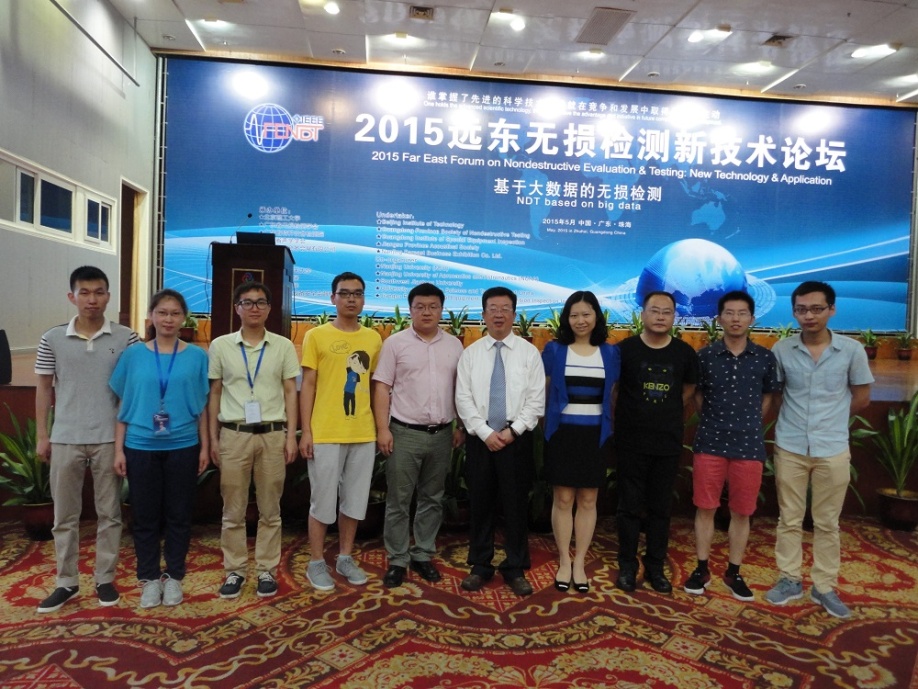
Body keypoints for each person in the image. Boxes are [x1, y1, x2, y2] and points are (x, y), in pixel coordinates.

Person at [34, 266, 139, 613]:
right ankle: (66, 581)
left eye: (99, 292)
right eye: (85, 292)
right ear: (72, 297)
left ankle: (104, 578)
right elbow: (43, 388)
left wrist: (126, 441)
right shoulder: (52, 338)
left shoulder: (127, 338)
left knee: (110, 513)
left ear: (108, 296)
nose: (92, 299)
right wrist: (43, 435)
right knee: (65, 515)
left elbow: (133, 389)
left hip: (109, 439)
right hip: (65, 438)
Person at [765, 281, 872, 619]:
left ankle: (824, 586)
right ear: (794, 312)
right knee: (789, 518)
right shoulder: (782, 349)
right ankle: (789, 579)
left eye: (816, 309)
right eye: (801, 310)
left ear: (831, 310)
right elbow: (777, 396)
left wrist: (832, 420)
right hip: (791, 445)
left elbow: (862, 397)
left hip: (832, 447)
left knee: (827, 522)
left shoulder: (851, 350)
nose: (808, 316)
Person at [110, 289, 209, 608]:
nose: (168, 319)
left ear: (184, 318)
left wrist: (205, 447)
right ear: (151, 316)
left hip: (184, 444)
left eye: (175, 313)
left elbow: (203, 407)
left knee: (179, 514)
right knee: (145, 516)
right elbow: (123, 403)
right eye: (162, 312)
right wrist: (118, 449)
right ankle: (150, 578)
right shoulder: (133, 355)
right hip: (140, 445)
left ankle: (174, 576)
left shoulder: (197, 356)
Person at [684, 291, 780, 601]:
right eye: (729, 313)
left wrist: (747, 423)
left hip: (748, 445)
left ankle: (733, 572)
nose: (735, 319)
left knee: (742, 512)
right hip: (710, 442)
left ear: (752, 318)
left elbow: (768, 397)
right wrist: (715, 421)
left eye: (742, 313)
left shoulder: (765, 358)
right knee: (706, 507)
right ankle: (701, 569)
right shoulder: (705, 356)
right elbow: (698, 395)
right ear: (719, 318)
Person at [208, 282, 300, 599]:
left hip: (273, 435)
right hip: (234, 435)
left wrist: (291, 436)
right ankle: (234, 570)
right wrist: (213, 438)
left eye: (261, 302)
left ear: (270, 308)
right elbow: (215, 392)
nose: (254, 308)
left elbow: (290, 391)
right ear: (237, 308)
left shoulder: (283, 346)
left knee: (270, 509)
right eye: (247, 302)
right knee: (232, 510)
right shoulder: (220, 346)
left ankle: (265, 570)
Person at [373, 283, 465, 588]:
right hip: (404, 433)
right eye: (420, 307)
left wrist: (460, 426)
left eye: (433, 306)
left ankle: (423, 553)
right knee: (399, 500)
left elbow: (461, 390)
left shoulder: (454, 345)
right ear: (410, 309)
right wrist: (382, 428)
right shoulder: (395, 344)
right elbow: (382, 386)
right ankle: (397, 559)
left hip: (442, 435)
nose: (426, 312)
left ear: (441, 310)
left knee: (432, 498)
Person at [455, 286, 545, 596]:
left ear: (514, 314)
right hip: (481, 439)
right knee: (480, 503)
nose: (498, 314)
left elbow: (536, 401)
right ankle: (480, 565)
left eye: (505, 308)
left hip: (515, 439)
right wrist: (485, 433)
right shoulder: (470, 354)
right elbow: (463, 398)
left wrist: (512, 431)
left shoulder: (529, 354)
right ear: (483, 314)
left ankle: (515, 567)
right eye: (492, 308)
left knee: (516, 505)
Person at [299, 272, 382, 591]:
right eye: (344, 293)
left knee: (355, 501)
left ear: (363, 299)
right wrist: (306, 432)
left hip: (362, 432)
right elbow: (308, 385)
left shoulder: (373, 338)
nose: (351, 299)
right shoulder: (316, 336)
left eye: (357, 293)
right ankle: (316, 562)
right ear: (332, 297)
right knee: (322, 501)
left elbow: (375, 387)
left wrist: (379, 428)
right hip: (325, 432)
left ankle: (345, 556)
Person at [614, 291, 698, 594]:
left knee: (660, 508)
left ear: (674, 316)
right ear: (643, 314)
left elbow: (688, 389)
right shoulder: (625, 350)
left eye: (667, 312)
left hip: (667, 441)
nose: (661, 316)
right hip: (631, 440)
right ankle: (627, 565)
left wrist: (667, 411)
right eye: (655, 310)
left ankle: (655, 565)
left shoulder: (684, 353)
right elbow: (615, 390)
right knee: (628, 507)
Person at [542, 291, 620, 592]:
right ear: (567, 319)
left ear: (596, 316)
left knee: (588, 500)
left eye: (586, 314)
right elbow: (543, 390)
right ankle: (564, 560)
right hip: (563, 434)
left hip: (594, 435)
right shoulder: (554, 350)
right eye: (574, 315)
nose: (580, 320)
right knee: (563, 499)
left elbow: (613, 394)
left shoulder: (610, 353)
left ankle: (580, 563)